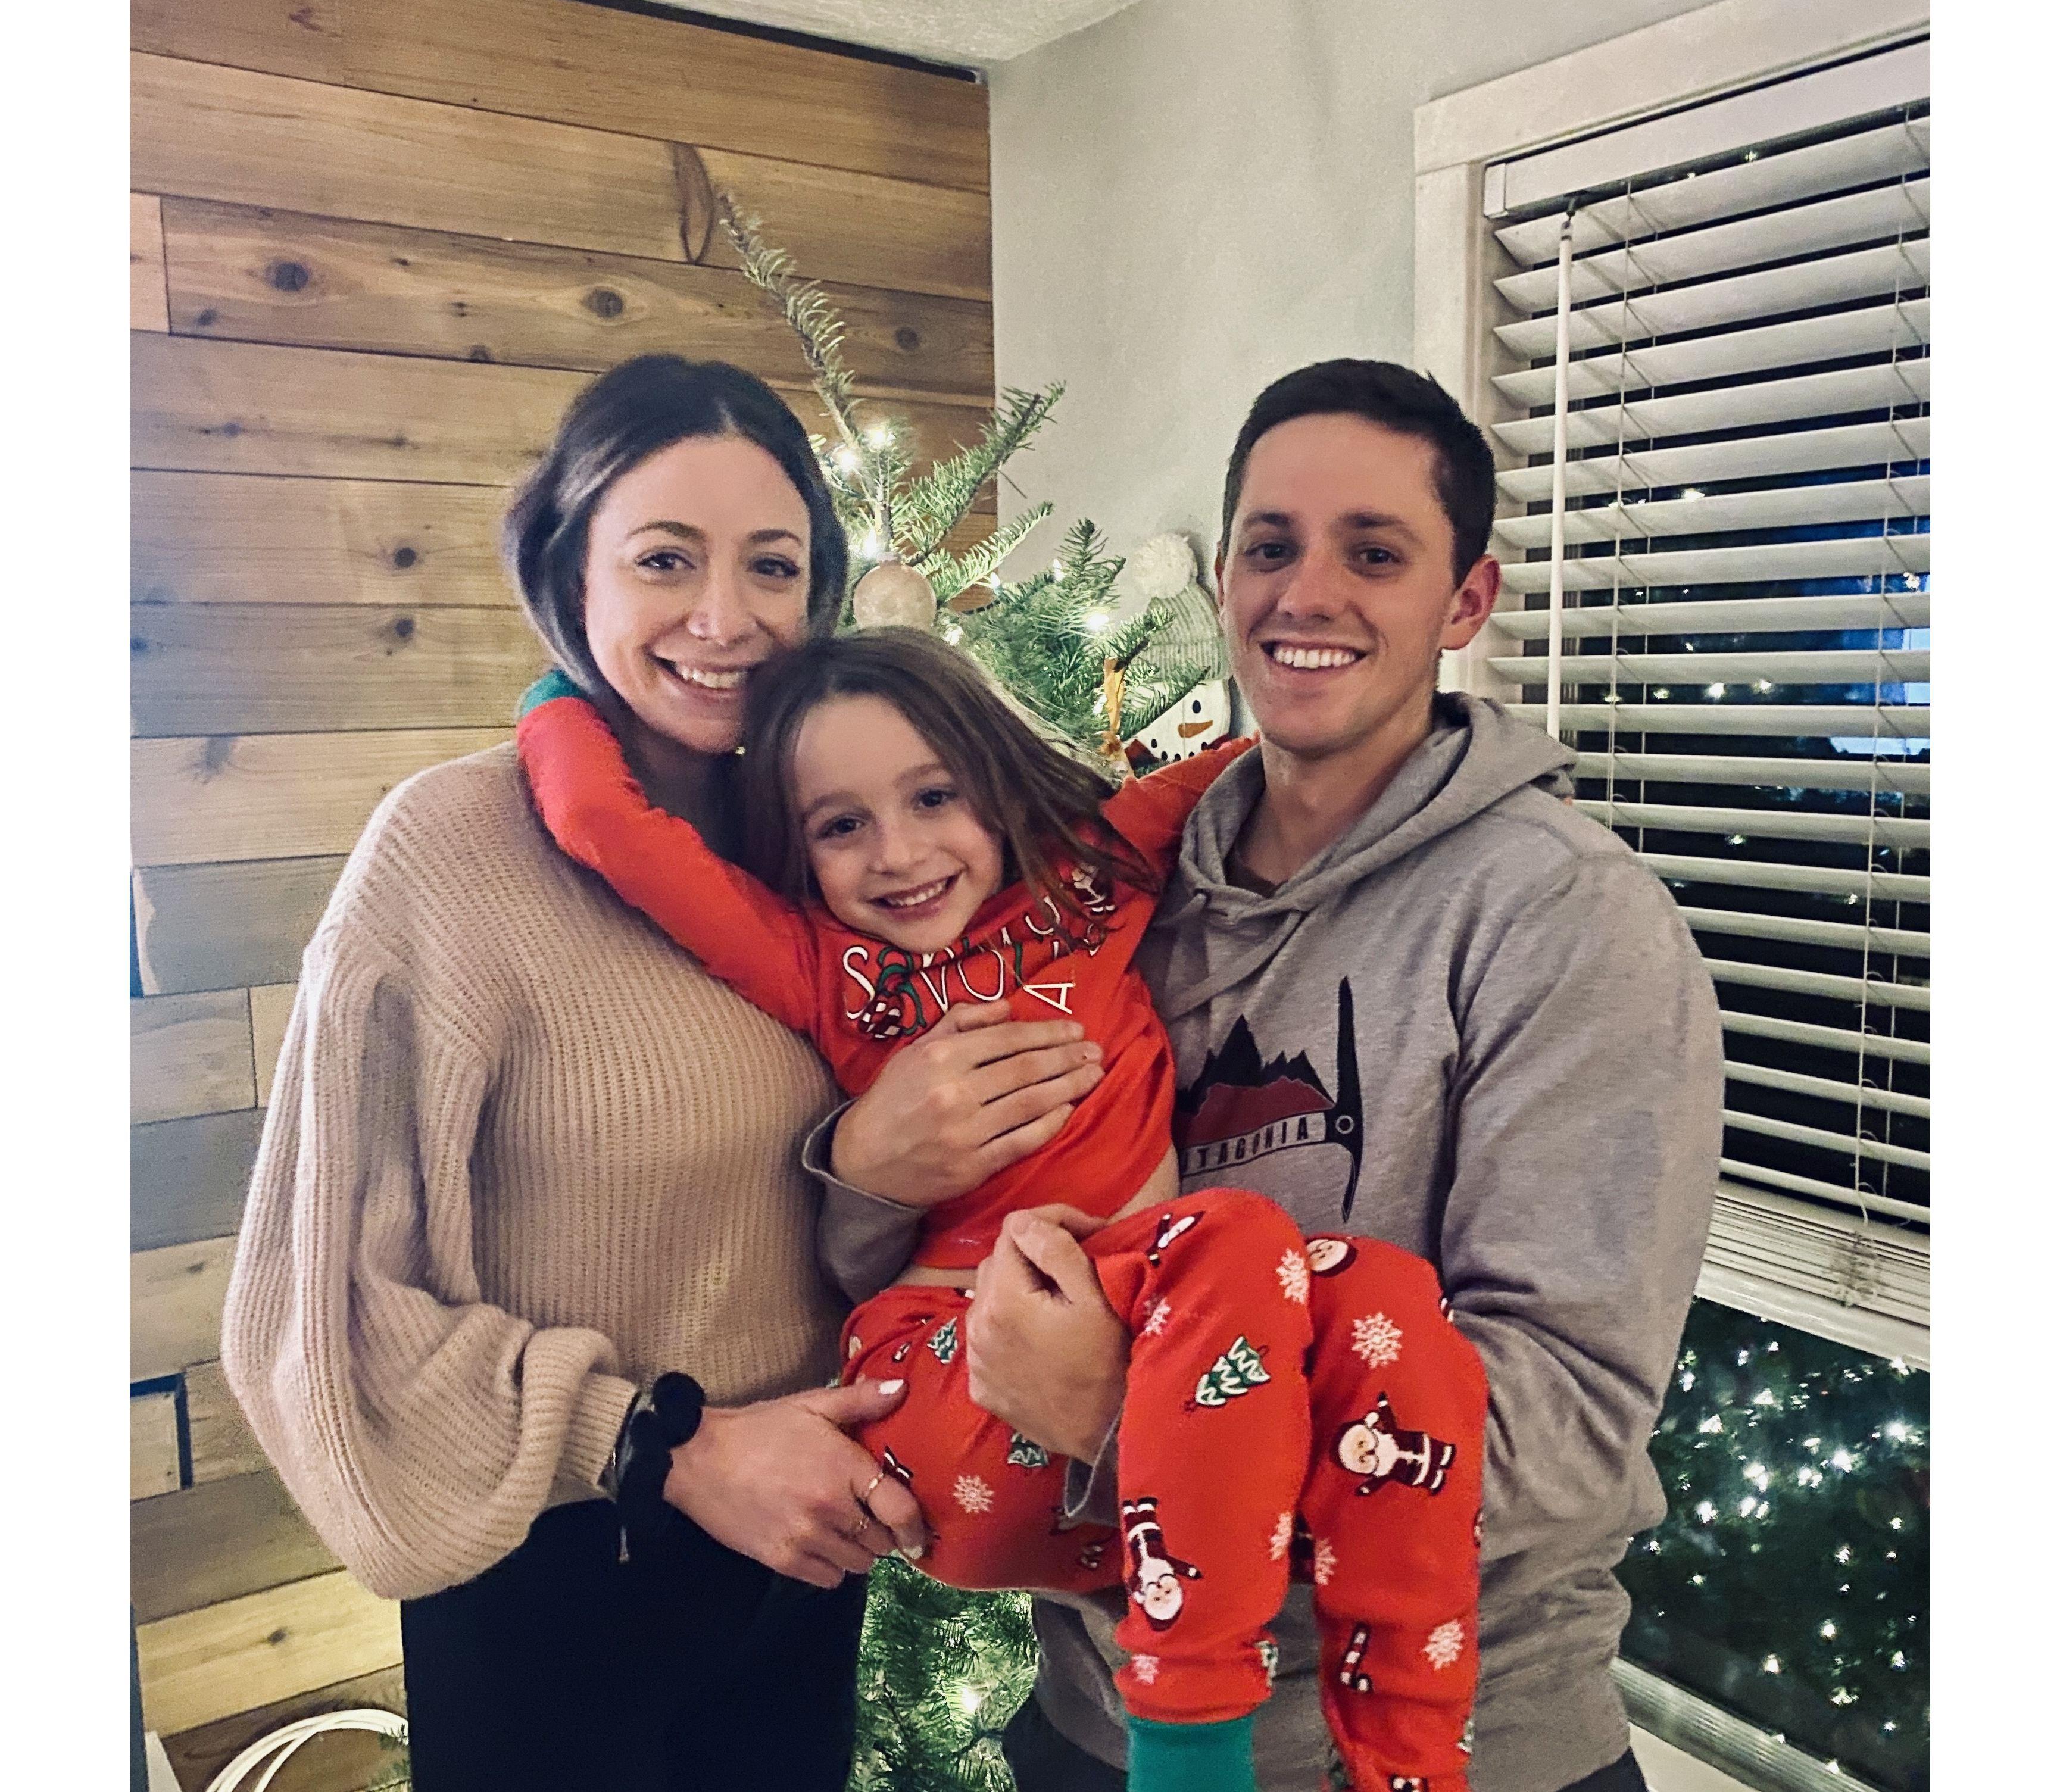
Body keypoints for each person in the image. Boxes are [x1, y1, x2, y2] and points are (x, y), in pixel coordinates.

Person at [813, 360, 1727, 1792]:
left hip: (1446, 1746)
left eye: (1374, 553)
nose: (1308, 593)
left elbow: (1567, 1426)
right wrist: (865, 1172)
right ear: (1226, 578)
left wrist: (1134, 1420)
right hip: (1092, 1721)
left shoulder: (1566, 919)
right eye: (1270, 545)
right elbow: (937, 1236)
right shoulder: (1100, 899)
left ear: (1466, 602)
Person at [219, 355, 1105, 1792]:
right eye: (664, 559)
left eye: (772, 565)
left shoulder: (842, 844)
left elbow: (855, 1210)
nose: (724, 617)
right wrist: (663, 1445)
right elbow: (315, 1315)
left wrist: (881, 1180)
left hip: (805, 1561)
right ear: (569, 574)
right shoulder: (447, 853)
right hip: (561, 1573)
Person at [516, 627, 1488, 1792]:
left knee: (1387, 1305)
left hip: (1151, 1388)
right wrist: (560, 687)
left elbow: (1276, 748)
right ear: (796, 850)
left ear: (998, 782)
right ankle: (1190, 1751)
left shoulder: (1089, 871)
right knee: (1235, 1240)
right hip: (947, 1389)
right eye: (839, 825)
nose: (900, 852)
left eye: (935, 796)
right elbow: (607, 826)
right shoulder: (813, 962)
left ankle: (1409, 1762)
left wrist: (1432, 733)